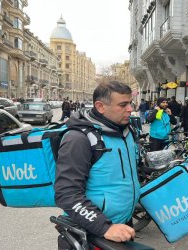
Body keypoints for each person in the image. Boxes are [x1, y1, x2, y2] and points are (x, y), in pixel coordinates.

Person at [55, 81, 140, 243]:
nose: (130, 109)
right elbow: (66, 194)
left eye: (130, 103)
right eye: (123, 105)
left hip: (123, 225)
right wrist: (105, 227)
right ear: (100, 107)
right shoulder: (78, 139)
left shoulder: (127, 131)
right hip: (93, 231)